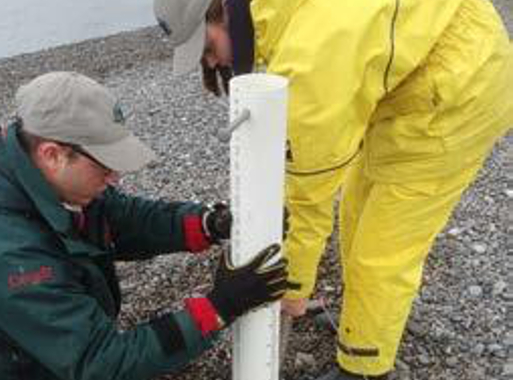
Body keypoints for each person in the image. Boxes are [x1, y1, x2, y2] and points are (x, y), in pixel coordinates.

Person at [153, 0, 513, 378]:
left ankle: (364, 365)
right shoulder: (277, 14)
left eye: (207, 49)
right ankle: (365, 320)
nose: (211, 64)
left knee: (382, 250)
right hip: (418, 66)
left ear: (221, 12)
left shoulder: (310, 57)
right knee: (355, 211)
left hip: (460, 91)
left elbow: (311, 197)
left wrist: (293, 288)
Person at [0, 71, 291, 380]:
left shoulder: (43, 182)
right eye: (106, 166)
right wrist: (219, 308)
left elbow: (123, 218)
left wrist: (210, 224)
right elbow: (102, 362)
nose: (116, 178)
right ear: (53, 155)